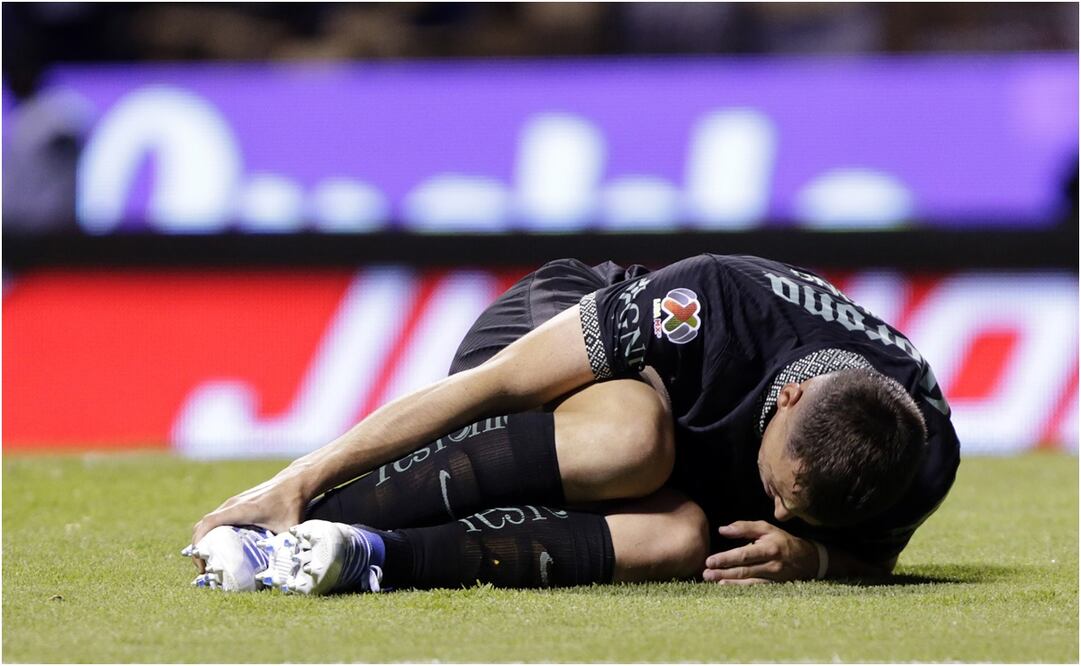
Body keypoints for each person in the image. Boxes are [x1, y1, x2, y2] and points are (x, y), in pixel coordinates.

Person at [184, 254, 959, 594]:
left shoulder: (918, 453)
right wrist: (301, 478)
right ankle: (285, 529)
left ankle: (366, 556)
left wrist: (817, 558)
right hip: (555, 336)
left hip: (652, 479)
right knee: (632, 439)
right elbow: (490, 386)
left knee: (683, 538)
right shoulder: (710, 306)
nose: (777, 513)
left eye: (795, 512)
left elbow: (874, 560)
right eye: (776, 491)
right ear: (789, 399)